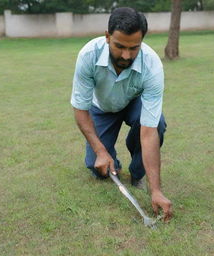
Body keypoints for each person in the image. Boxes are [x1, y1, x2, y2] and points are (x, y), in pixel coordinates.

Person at [71, 7, 172, 221]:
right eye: (120, 46)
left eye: (134, 48)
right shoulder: (88, 55)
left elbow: (149, 130)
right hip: (102, 108)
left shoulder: (152, 65)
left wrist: (156, 190)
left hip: (133, 103)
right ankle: (112, 162)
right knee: (98, 168)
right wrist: (100, 151)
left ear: (142, 41)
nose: (126, 55)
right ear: (107, 37)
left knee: (158, 123)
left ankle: (137, 173)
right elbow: (80, 110)